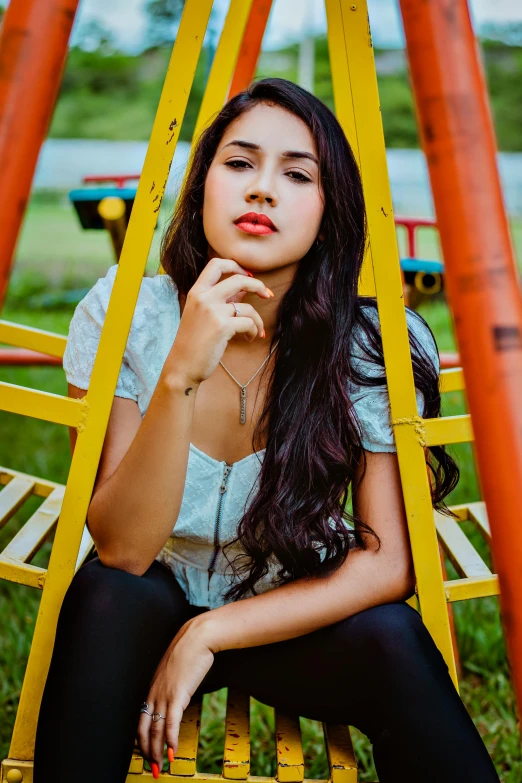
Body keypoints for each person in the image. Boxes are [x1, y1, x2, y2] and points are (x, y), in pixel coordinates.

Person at [33, 78, 500, 783]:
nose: (262, 190)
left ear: (329, 208)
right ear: (204, 183)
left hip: (286, 610)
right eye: (240, 162)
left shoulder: (373, 342)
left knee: (395, 635)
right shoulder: (127, 312)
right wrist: (181, 373)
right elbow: (123, 549)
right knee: (105, 593)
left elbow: (387, 562)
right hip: (142, 606)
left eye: (297, 173)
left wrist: (209, 631)